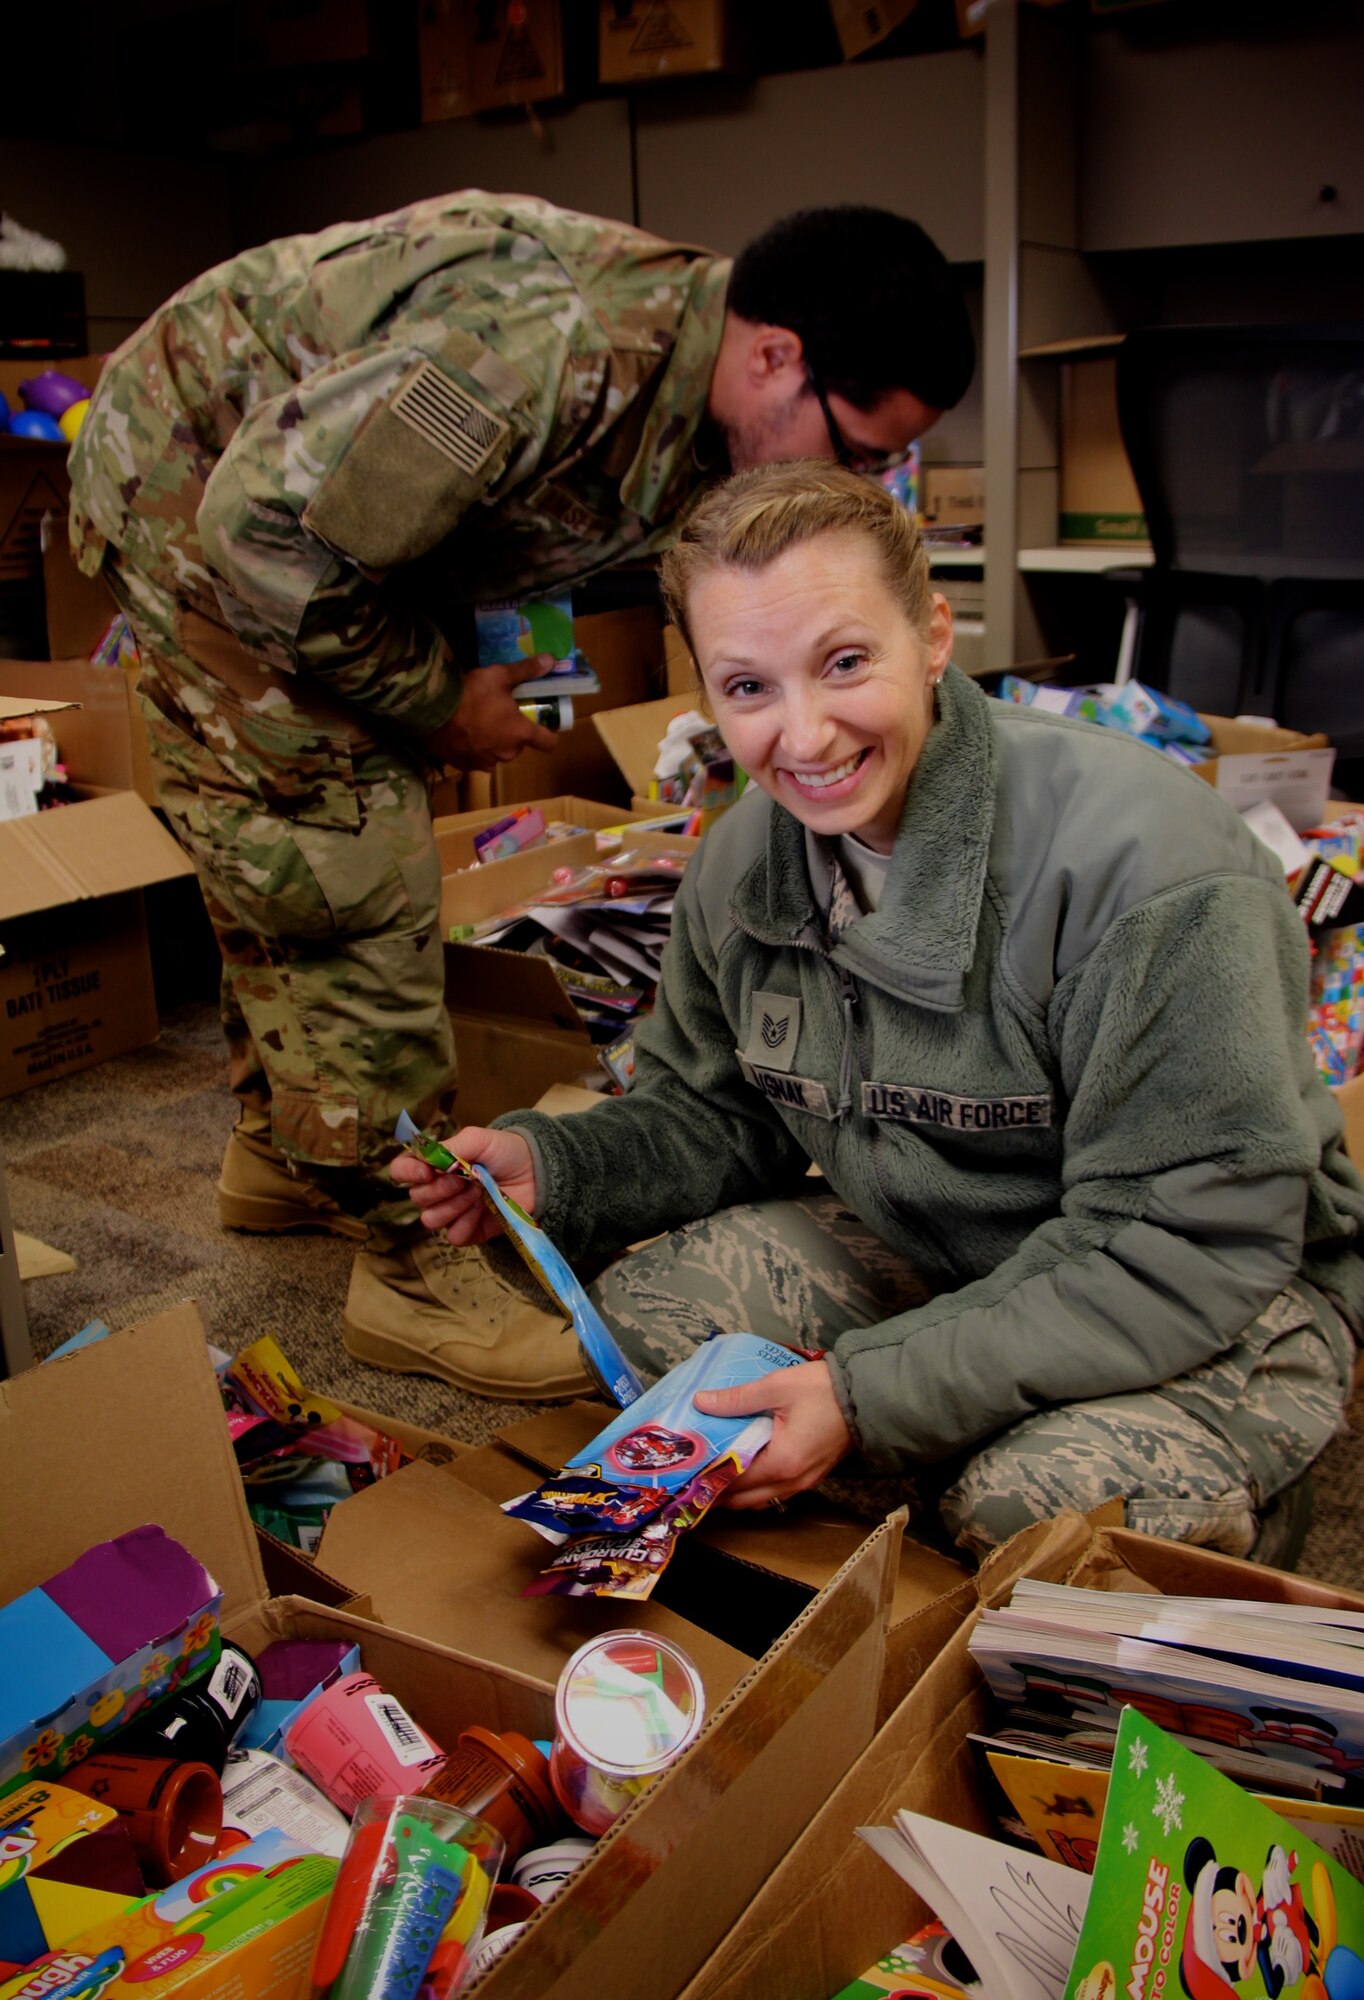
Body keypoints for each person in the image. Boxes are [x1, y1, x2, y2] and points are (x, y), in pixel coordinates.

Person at [65, 192, 974, 1400]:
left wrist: (537, 700)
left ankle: (289, 1157)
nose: (865, 478)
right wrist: (439, 700)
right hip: (201, 507)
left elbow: (516, 531)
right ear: (774, 355)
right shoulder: (536, 352)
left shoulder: (717, 391)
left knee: (320, 843)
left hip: (342, 534)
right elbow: (264, 536)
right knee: (343, 856)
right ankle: (405, 1268)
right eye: (858, 448)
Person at [392, 459, 1364, 1565]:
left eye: (843, 662)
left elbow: (1180, 1238)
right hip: (950, 1242)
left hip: (1217, 1284)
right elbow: (717, 1114)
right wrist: (554, 1166)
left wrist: (866, 1395)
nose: (802, 738)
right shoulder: (740, 865)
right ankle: (954, 1417)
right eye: (747, 687)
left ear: (934, 636)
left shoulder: (1147, 871)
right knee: (649, 1315)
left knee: (1028, 1510)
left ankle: (1239, 1493)